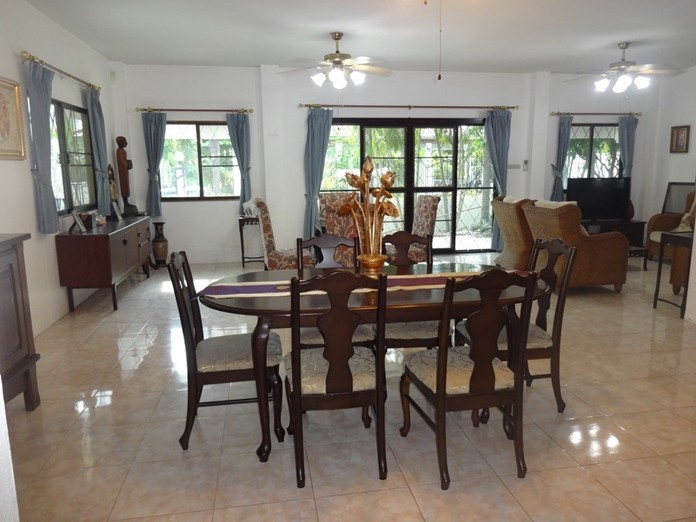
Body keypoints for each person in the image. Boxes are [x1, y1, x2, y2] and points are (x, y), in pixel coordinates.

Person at [116, 136, 138, 215]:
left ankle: (127, 202)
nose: (126, 143)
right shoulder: (119, 151)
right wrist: (127, 164)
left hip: (125, 172)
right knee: (124, 186)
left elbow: (124, 161)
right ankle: (125, 203)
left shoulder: (123, 151)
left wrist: (128, 164)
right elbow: (122, 162)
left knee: (126, 186)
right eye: (125, 142)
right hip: (122, 172)